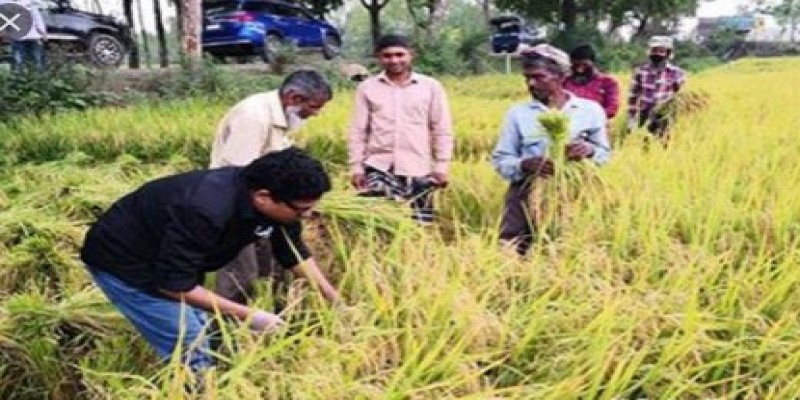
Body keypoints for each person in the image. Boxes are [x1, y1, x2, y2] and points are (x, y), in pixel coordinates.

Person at [80, 147, 341, 371]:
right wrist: (251, 316)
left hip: (170, 257)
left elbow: (292, 253)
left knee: (204, 325)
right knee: (191, 341)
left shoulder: (279, 205)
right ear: (263, 197)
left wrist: (334, 300)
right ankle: (198, 388)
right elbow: (173, 285)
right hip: (125, 261)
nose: (308, 216)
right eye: (302, 210)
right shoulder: (205, 209)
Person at [210, 69, 332, 305]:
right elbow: (241, 174)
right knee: (241, 276)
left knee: (272, 269)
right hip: (237, 210)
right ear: (294, 98)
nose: (316, 113)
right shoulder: (253, 116)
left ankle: (269, 324)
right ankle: (223, 335)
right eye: (315, 107)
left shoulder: (284, 116)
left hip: (267, 206)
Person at [491, 44, 611, 255]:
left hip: (574, 192)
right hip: (526, 193)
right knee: (513, 249)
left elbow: (604, 154)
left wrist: (589, 150)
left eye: (539, 77)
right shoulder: (518, 113)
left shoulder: (590, 111)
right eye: (527, 78)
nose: (531, 84)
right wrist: (524, 164)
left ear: (561, 76)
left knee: (571, 247)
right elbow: (501, 160)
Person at [347, 34, 454, 225]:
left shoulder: (430, 87)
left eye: (400, 54)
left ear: (411, 55)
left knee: (422, 225)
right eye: (387, 56)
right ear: (378, 57)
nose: (394, 60)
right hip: (378, 166)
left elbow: (441, 129)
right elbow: (358, 131)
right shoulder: (366, 88)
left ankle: (418, 254)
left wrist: (441, 167)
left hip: (418, 167)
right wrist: (356, 168)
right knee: (376, 224)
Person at [626, 36, 687, 138]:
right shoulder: (641, 71)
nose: (657, 54)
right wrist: (631, 119)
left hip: (665, 116)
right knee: (644, 143)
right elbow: (633, 96)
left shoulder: (676, 73)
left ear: (668, 53)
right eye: (654, 50)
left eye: (661, 51)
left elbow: (680, 96)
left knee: (665, 144)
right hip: (645, 114)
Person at [563, 44, 620, 139]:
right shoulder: (565, 81)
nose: (580, 69)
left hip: (597, 131)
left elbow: (612, 108)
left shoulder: (608, 82)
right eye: (576, 65)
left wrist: (588, 118)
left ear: (593, 62)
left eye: (584, 65)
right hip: (568, 130)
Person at [6, 0, 47, 74]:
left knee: (37, 60)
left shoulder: (30, 3)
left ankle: (39, 80)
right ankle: (17, 81)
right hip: (18, 38)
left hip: (33, 36)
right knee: (17, 61)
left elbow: (37, 18)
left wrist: (43, 33)